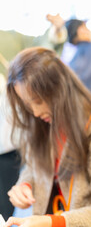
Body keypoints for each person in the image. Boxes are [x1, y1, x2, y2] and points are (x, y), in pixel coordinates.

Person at [5, 47, 91, 227]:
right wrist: (25, 186)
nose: (35, 112)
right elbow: (33, 166)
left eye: (38, 101)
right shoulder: (44, 124)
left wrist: (55, 222)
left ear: (59, 89)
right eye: (28, 105)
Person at [0, 14, 66, 220]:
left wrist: (55, 30)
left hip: (6, 145)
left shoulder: (9, 39)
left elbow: (40, 51)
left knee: (6, 205)